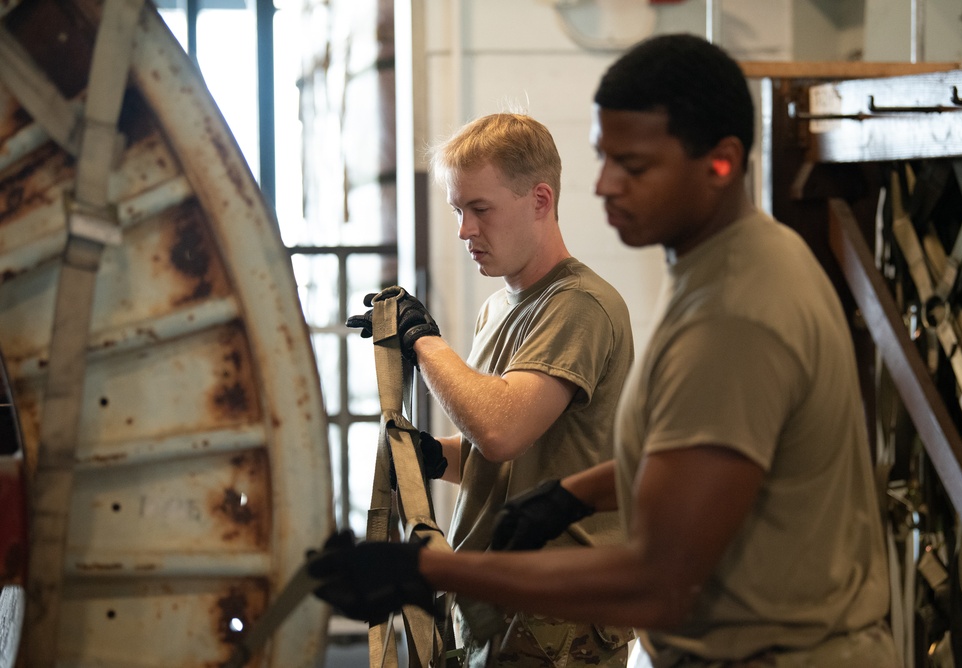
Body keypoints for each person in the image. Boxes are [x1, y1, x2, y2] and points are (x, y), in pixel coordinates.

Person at [316, 34, 897, 667]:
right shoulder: (716, 271)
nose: (604, 186)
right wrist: (576, 493)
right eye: (604, 158)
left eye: (636, 166)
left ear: (721, 163)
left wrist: (430, 571)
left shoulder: (737, 308)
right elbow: (688, 459)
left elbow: (658, 576)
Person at [345, 112, 636, 667]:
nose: (464, 231)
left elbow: (501, 429)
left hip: (556, 620)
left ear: (540, 200)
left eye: (480, 209)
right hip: (496, 610)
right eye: (458, 210)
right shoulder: (497, 308)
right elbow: (501, 460)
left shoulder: (577, 305)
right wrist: (431, 457)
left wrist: (423, 343)